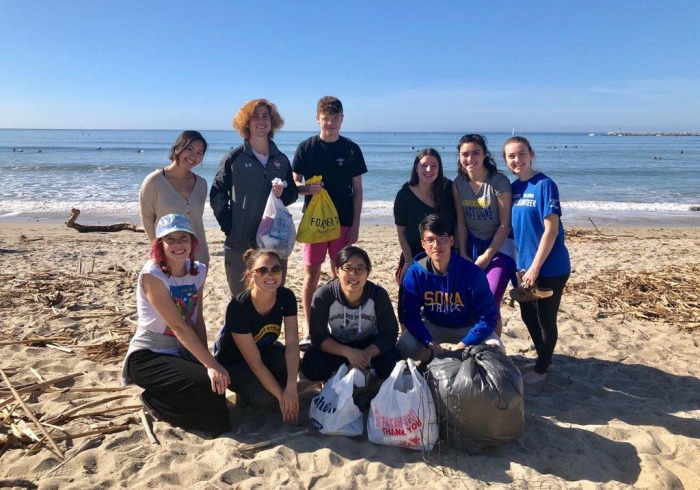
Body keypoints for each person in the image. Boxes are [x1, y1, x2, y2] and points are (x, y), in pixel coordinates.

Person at [121, 213, 231, 436]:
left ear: (192, 241)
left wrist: (205, 360)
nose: (178, 244)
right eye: (170, 239)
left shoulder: (198, 270)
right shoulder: (153, 274)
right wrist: (210, 365)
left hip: (181, 350)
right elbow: (179, 326)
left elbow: (197, 318)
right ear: (160, 244)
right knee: (209, 404)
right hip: (148, 355)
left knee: (216, 394)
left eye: (183, 238)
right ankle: (152, 400)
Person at [292, 96, 367, 346]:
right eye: (326, 119)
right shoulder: (306, 148)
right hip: (313, 223)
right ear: (318, 119)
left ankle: (337, 323)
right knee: (311, 275)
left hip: (343, 221)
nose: (331, 123)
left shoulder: (351, 149)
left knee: (341, 273)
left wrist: (356, 224)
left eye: (335, 119)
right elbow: (294, 184)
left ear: (342, 119)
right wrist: (306, 189)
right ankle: (309, 326)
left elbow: (357, 189)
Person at [210, 99, 298, 297]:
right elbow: (217, 191)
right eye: (255, 116)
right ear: (246, 123)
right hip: (240, 241)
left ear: (272, 122)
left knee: (272, 296)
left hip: (273, 241)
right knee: (241, 298)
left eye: (265, 116)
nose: (261, 120)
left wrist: (282, 193)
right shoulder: (234, 157)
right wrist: (228, 225)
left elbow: (291, 193)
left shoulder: (280, 159)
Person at [502, 136, 571, 384]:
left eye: (522, 154)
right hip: (523, 267)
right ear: (506, 161)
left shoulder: (545, 185)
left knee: (545, 319)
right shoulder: (512, 188)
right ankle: (545, 359)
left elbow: (550, 230)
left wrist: (535, 267)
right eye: (511, 156)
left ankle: (541, 369)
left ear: (532, 154)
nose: (517, 160)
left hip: (550, 267)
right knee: (527, 316)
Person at [397, 214, 504, 363]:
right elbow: (410, 315)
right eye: (430, 240)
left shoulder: (472, 272)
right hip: (433, 325)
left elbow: (488, 317)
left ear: (451, 240)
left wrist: (463, 344)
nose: (436, 245)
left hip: (468, 326)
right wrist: (429, 342)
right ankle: (430, 359)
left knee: (495, 348)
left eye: (442, 238)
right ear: (423, 244)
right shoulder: (415, 273)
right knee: (404, 345)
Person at [213, 249, 300, 422]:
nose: (270, 275)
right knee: (264, 398)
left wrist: (291, 387)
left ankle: (273, 391)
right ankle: (244, 394)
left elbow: (292, 343)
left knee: (293, 364)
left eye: (275, 269)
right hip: (234, 362)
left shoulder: (286, 296)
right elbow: (254, 362)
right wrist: (282, 397)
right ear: (251, 275)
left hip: (265, 349)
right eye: (262, 270)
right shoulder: (238, 307)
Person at [300, 246, 400, 382]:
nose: (354, 274)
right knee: (311, 366)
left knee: (393, 363)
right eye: (347, 268)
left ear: (368, 273)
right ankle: (337, 377)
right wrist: (348, 353)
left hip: (369, 344)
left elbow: (389, 334)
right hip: (338, 345)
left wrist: (362, 356)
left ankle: (370, 381)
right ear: (337, 271)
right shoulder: (324, 295)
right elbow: (318, 337)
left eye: (360, 269)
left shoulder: (378, 295)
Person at [453, 134, 517, 337]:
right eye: (465, 154)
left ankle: (494, 351)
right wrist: (463, 252)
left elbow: (505, 224)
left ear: (484, 155)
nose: (470, 158)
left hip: (501, 246)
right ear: (459, 157)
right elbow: (461, 222)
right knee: (470, 301)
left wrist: (488, 255)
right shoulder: (458, 183)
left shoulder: (498, 181)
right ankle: (484, 346)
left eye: (475, 153)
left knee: (489, 299)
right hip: (472, 246)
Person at [393, 148, 457, 329]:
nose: (428, 170)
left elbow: (459, 222)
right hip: (414, 252)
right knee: (407, 292)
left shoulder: (448, 189)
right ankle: (407, 332)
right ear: (416, 168)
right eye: (424, 165)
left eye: (433, 166)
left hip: (446, 251)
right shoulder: (404, 194)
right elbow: (402, 231)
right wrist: (407, 261)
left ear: (440, 168)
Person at [140, 131, 210, 265]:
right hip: (169, 255)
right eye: (189, 149)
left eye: (199, 152)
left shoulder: (201, 184)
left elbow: (196, 219)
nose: (193, 155)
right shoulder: (154, 181)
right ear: (177, 148)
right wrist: (158, 251)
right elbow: (147, 218)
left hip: (199, 255)